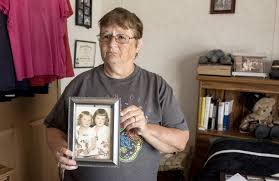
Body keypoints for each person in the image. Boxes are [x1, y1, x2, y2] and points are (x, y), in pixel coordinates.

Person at [45, 7, 189, 181]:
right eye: (106, 36)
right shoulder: (80, 84)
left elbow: (180, 141)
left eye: (121, 37)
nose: (112, 43)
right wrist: (59, 149)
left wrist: (145, 128)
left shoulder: (157, 86)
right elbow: (53, 128)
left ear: (138, 45)